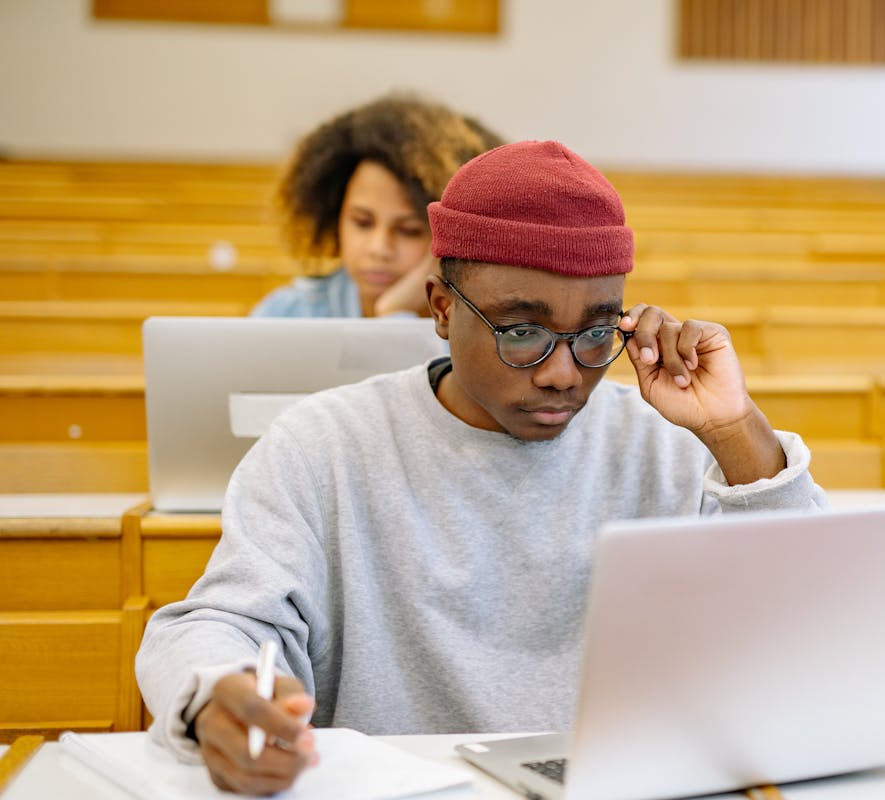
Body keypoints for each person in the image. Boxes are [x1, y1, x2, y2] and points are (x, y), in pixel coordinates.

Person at [137, 140, 828, 795]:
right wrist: (215, 692)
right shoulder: (323, 445)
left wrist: (734, 429)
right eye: (521, 331)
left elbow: (814, 623)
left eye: (595, 334)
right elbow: (215, 624)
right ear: (442, 308)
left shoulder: (670, 445)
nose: (563, 374)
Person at [252, 93, 503, 318]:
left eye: (409, 230)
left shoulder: (479, 328)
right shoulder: (286, 313)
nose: (379, 248)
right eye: (362, 223)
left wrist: (394, 313)